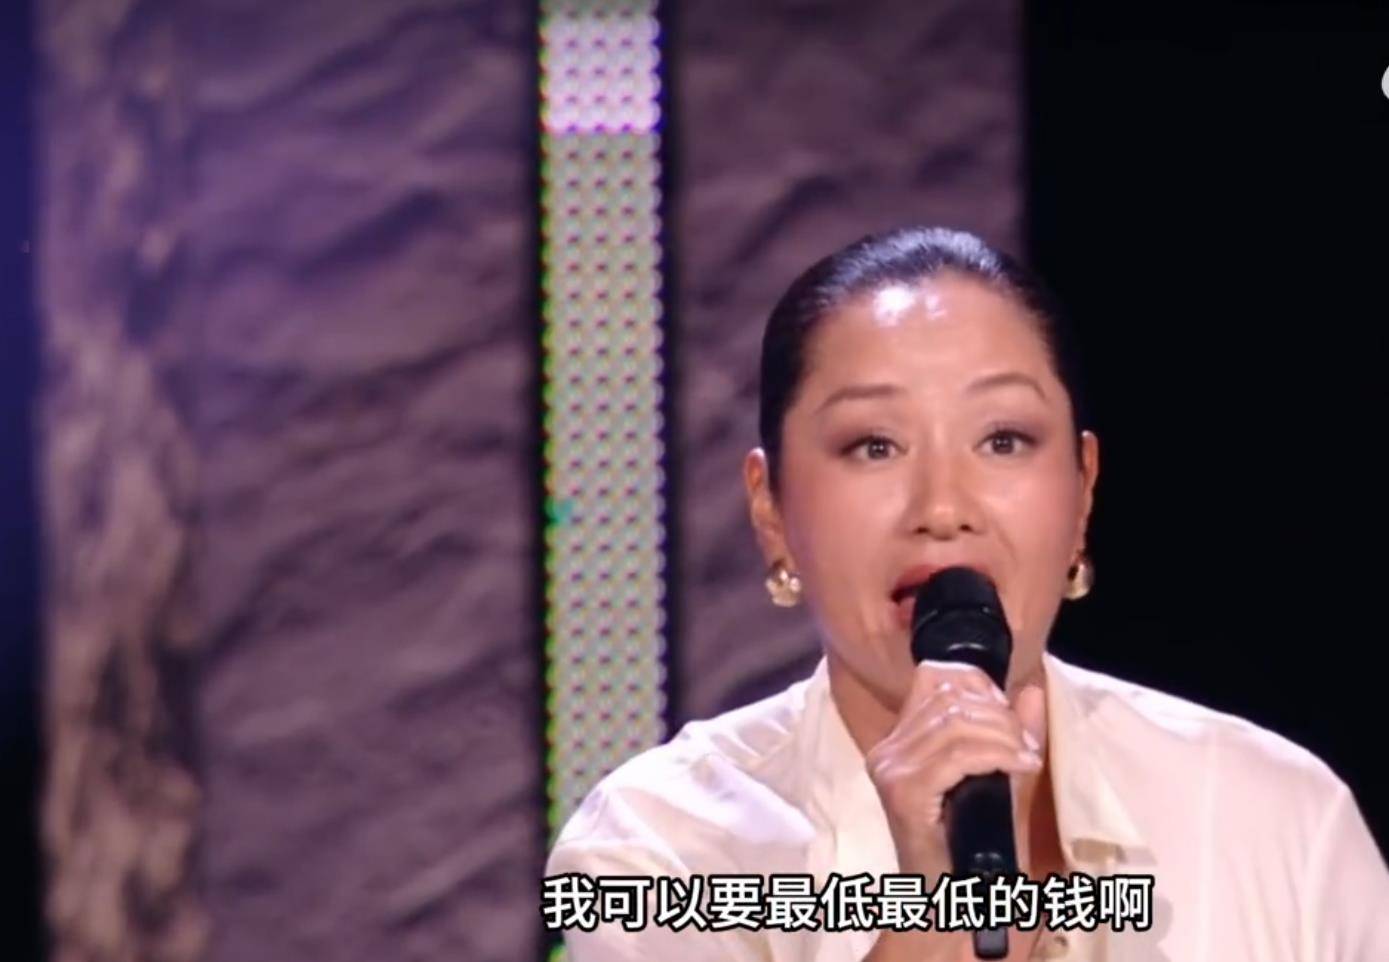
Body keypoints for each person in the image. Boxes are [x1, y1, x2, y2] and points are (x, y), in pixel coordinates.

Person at [544, 226, 1389, 961]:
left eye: (1003, 439)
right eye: (874, 446)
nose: (943, 507)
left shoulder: (1274, 816)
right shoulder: (659, 849)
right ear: (771, 512)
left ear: (1082, 491)